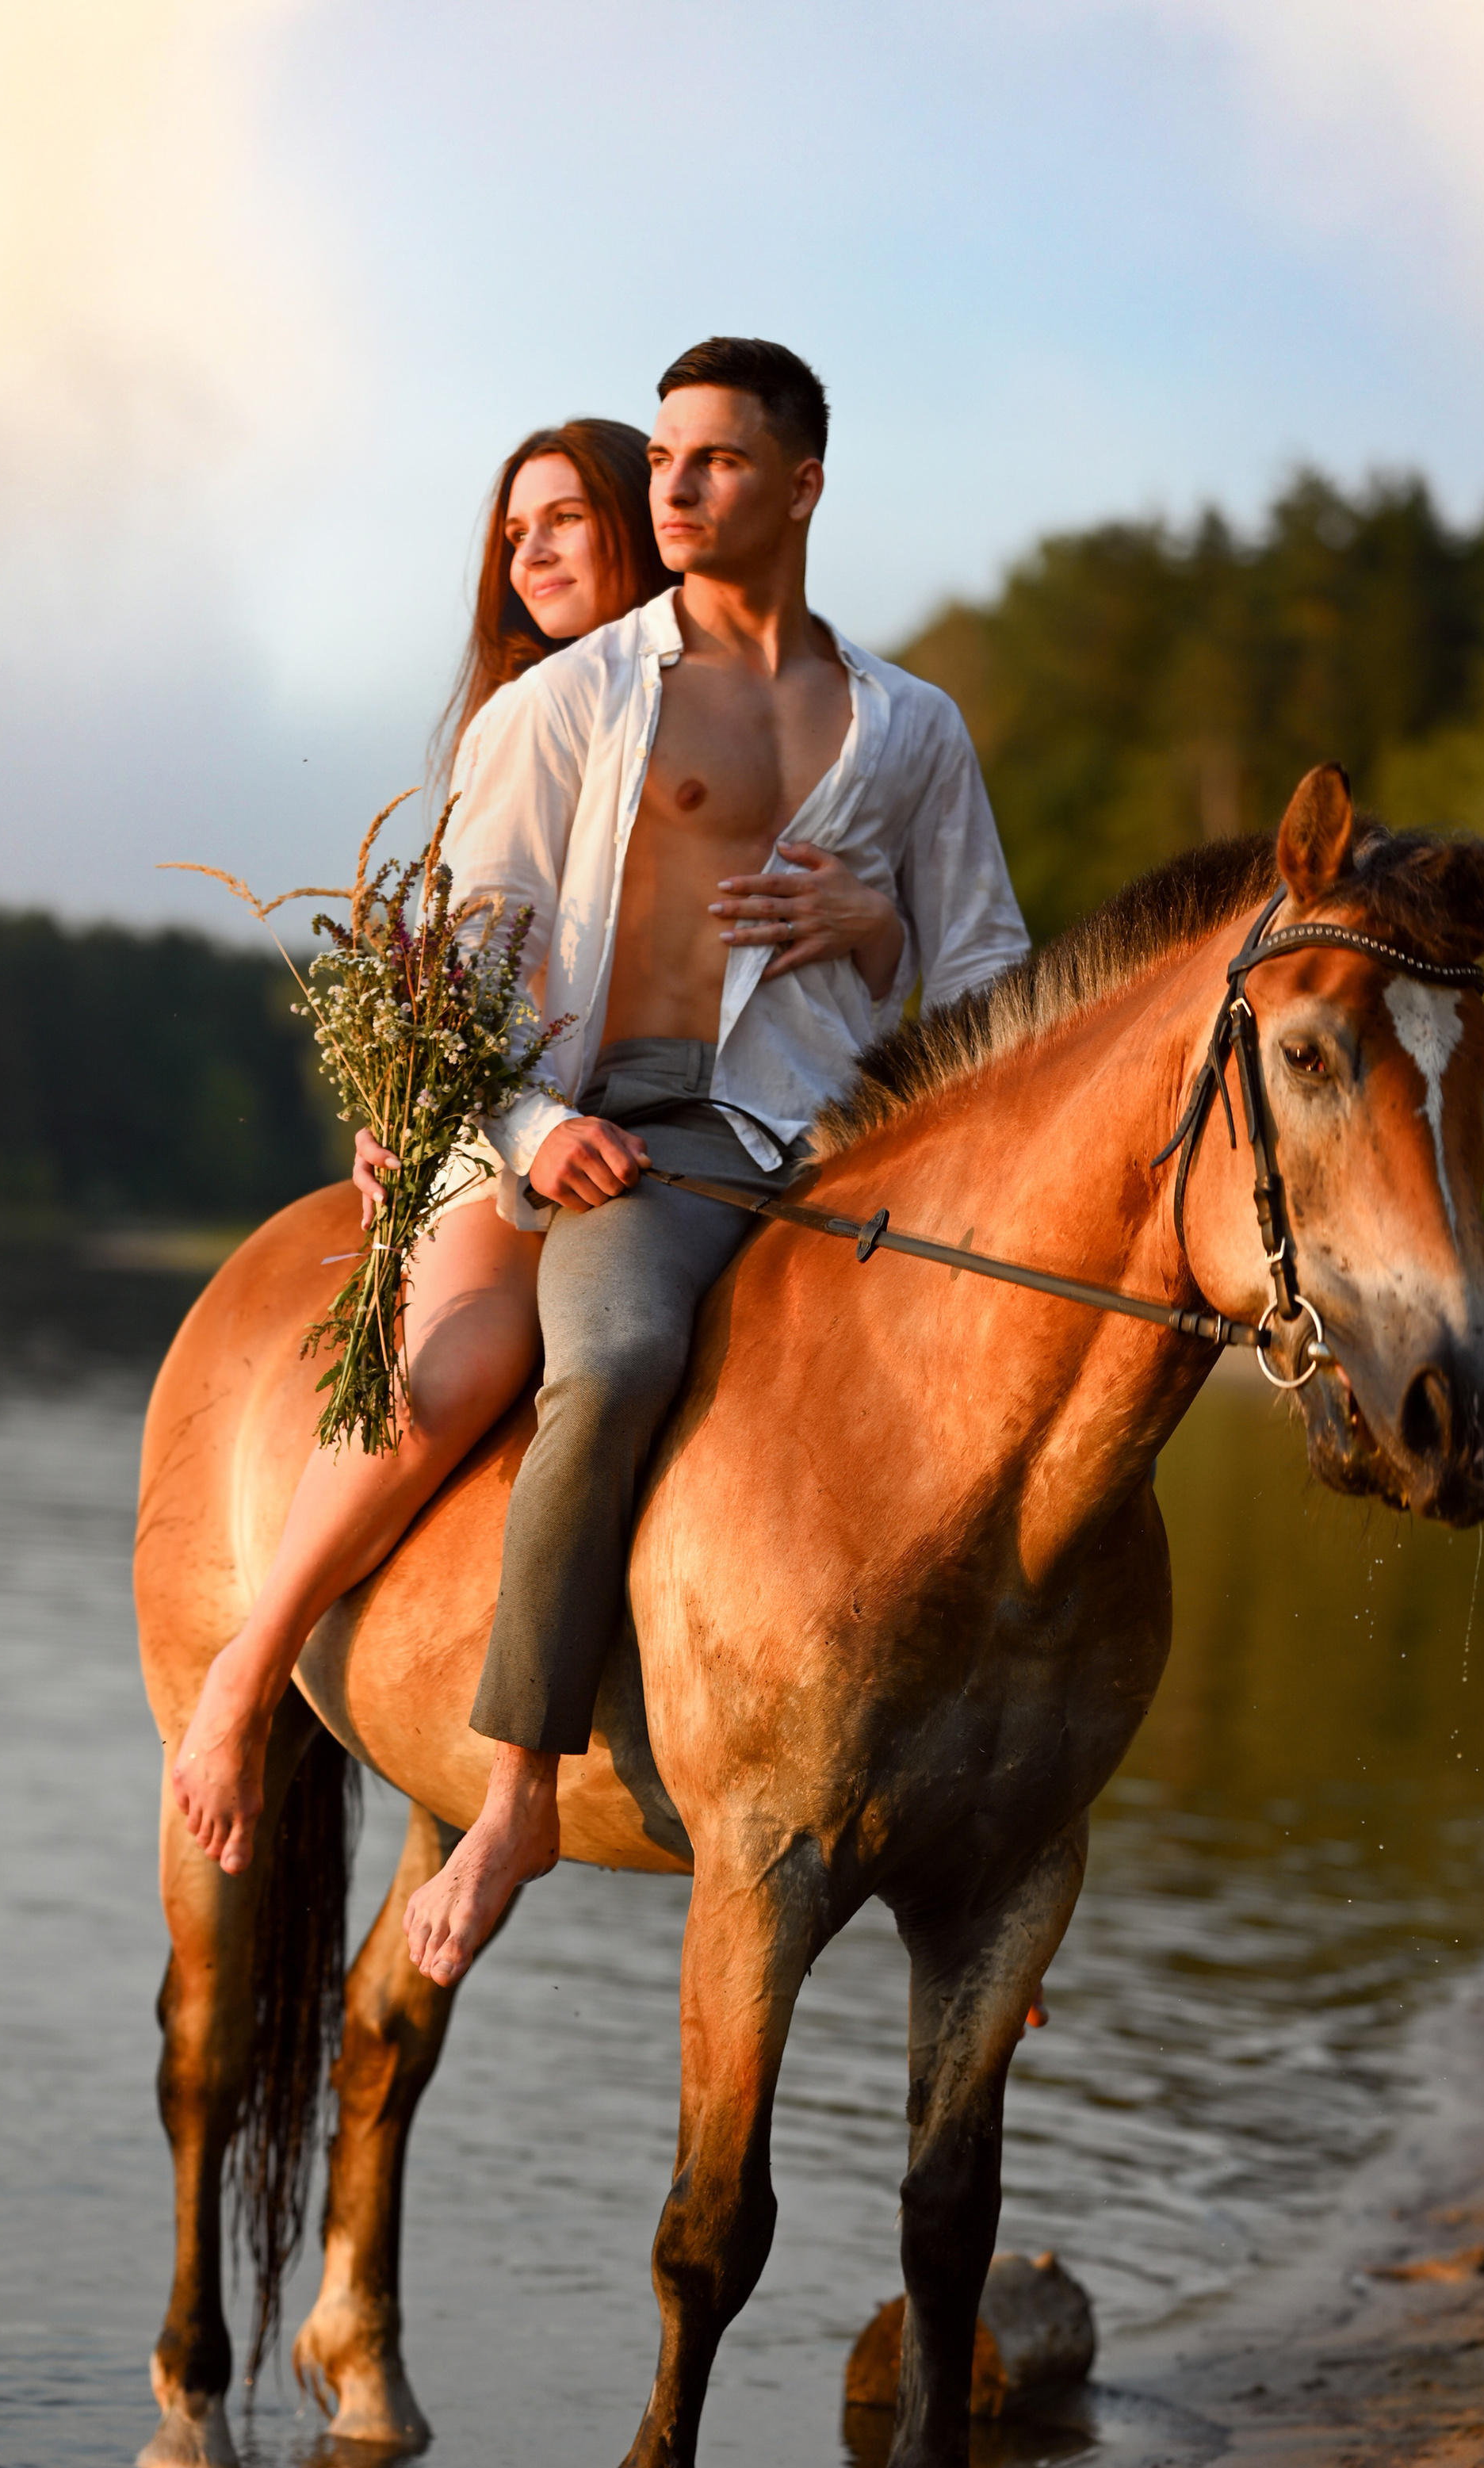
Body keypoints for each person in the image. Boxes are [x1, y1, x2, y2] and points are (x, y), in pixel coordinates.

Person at [170, 416, 902, 1872]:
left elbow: (818, 967)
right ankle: (248, 1668)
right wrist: (428, 1104)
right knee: (469, 1362)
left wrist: (872, 922)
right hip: (526, 1123)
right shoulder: (528, 716)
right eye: (516, 533)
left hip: (726, 1130)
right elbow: (467, 968)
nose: (535, 552)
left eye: (567, 519)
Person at [402, 337, 1030, 1987]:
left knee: (1034, 1371)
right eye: (662, 460)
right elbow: (457, 997)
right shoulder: (569, 704)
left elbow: (991, 993)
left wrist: (880, 925)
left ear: (803, 485)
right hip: (646, 1137)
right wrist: (543, 1132)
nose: (669, 488)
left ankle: (994, 1789)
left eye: (717, 463)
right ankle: (520, 1791)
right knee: (607, 1360)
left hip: (841, 1148)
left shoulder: (906, 730)